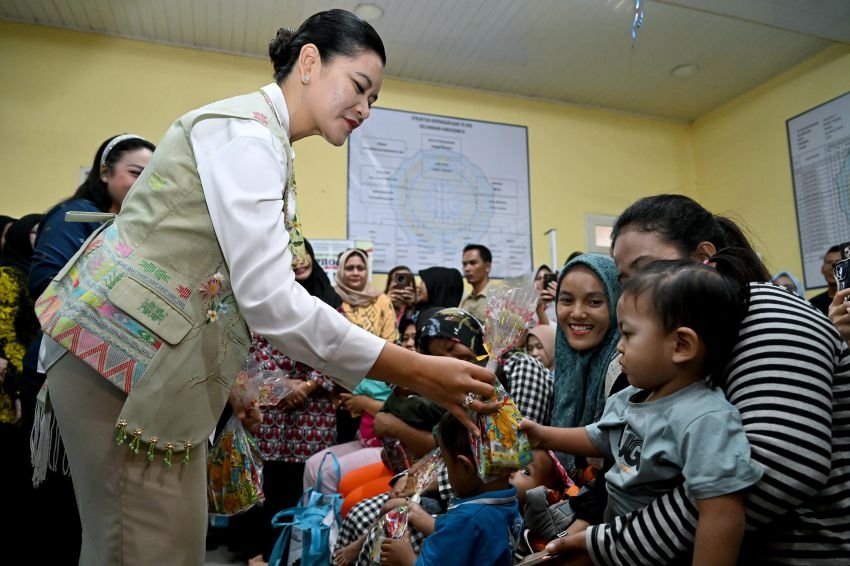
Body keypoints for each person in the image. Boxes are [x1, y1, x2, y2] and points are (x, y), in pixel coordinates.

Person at [32, 10, 494, 565]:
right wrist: (415, 369)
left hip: (149, 364)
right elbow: (271, 301)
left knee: (158, 545)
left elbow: (216, 285)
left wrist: (235, 384)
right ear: (309, 62)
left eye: (373, 99)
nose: (365, 109)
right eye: (359, 87)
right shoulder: (248, 137)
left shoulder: (267, 141)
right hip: (120, 354)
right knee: (141, 547)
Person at [546, 194, 850, 564]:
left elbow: (780, 466)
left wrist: (610, 544)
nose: (638, 288)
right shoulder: (681, 343)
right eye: (625, 280)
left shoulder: (769, 312)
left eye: (647, 268)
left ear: (705, 256)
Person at [522, 259, 764, 565]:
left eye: (628, 335)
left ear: (681, 345)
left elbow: (722, 516)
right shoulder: (634, 395)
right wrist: (542, 435)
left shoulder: (705, 419)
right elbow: (600, 437)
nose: (619, 347)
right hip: (617, 543)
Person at [379, 411, 523, 566]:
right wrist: (426, 520)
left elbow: (462, 529)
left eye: (447, 465)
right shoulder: (508, 500)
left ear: (465, 467)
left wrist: (406, 558)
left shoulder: (467, 518)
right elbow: (469, 538)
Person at [459, 243, 492, 322]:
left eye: (473, 263)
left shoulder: (497, 299)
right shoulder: (464, 301)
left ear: (487, 267)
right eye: (464, 264)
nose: (467, 269)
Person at [809, 244, 842, 315]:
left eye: (838, 262)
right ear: (822, 269)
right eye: (829, 262)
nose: (833, 267)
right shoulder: (812, 305)